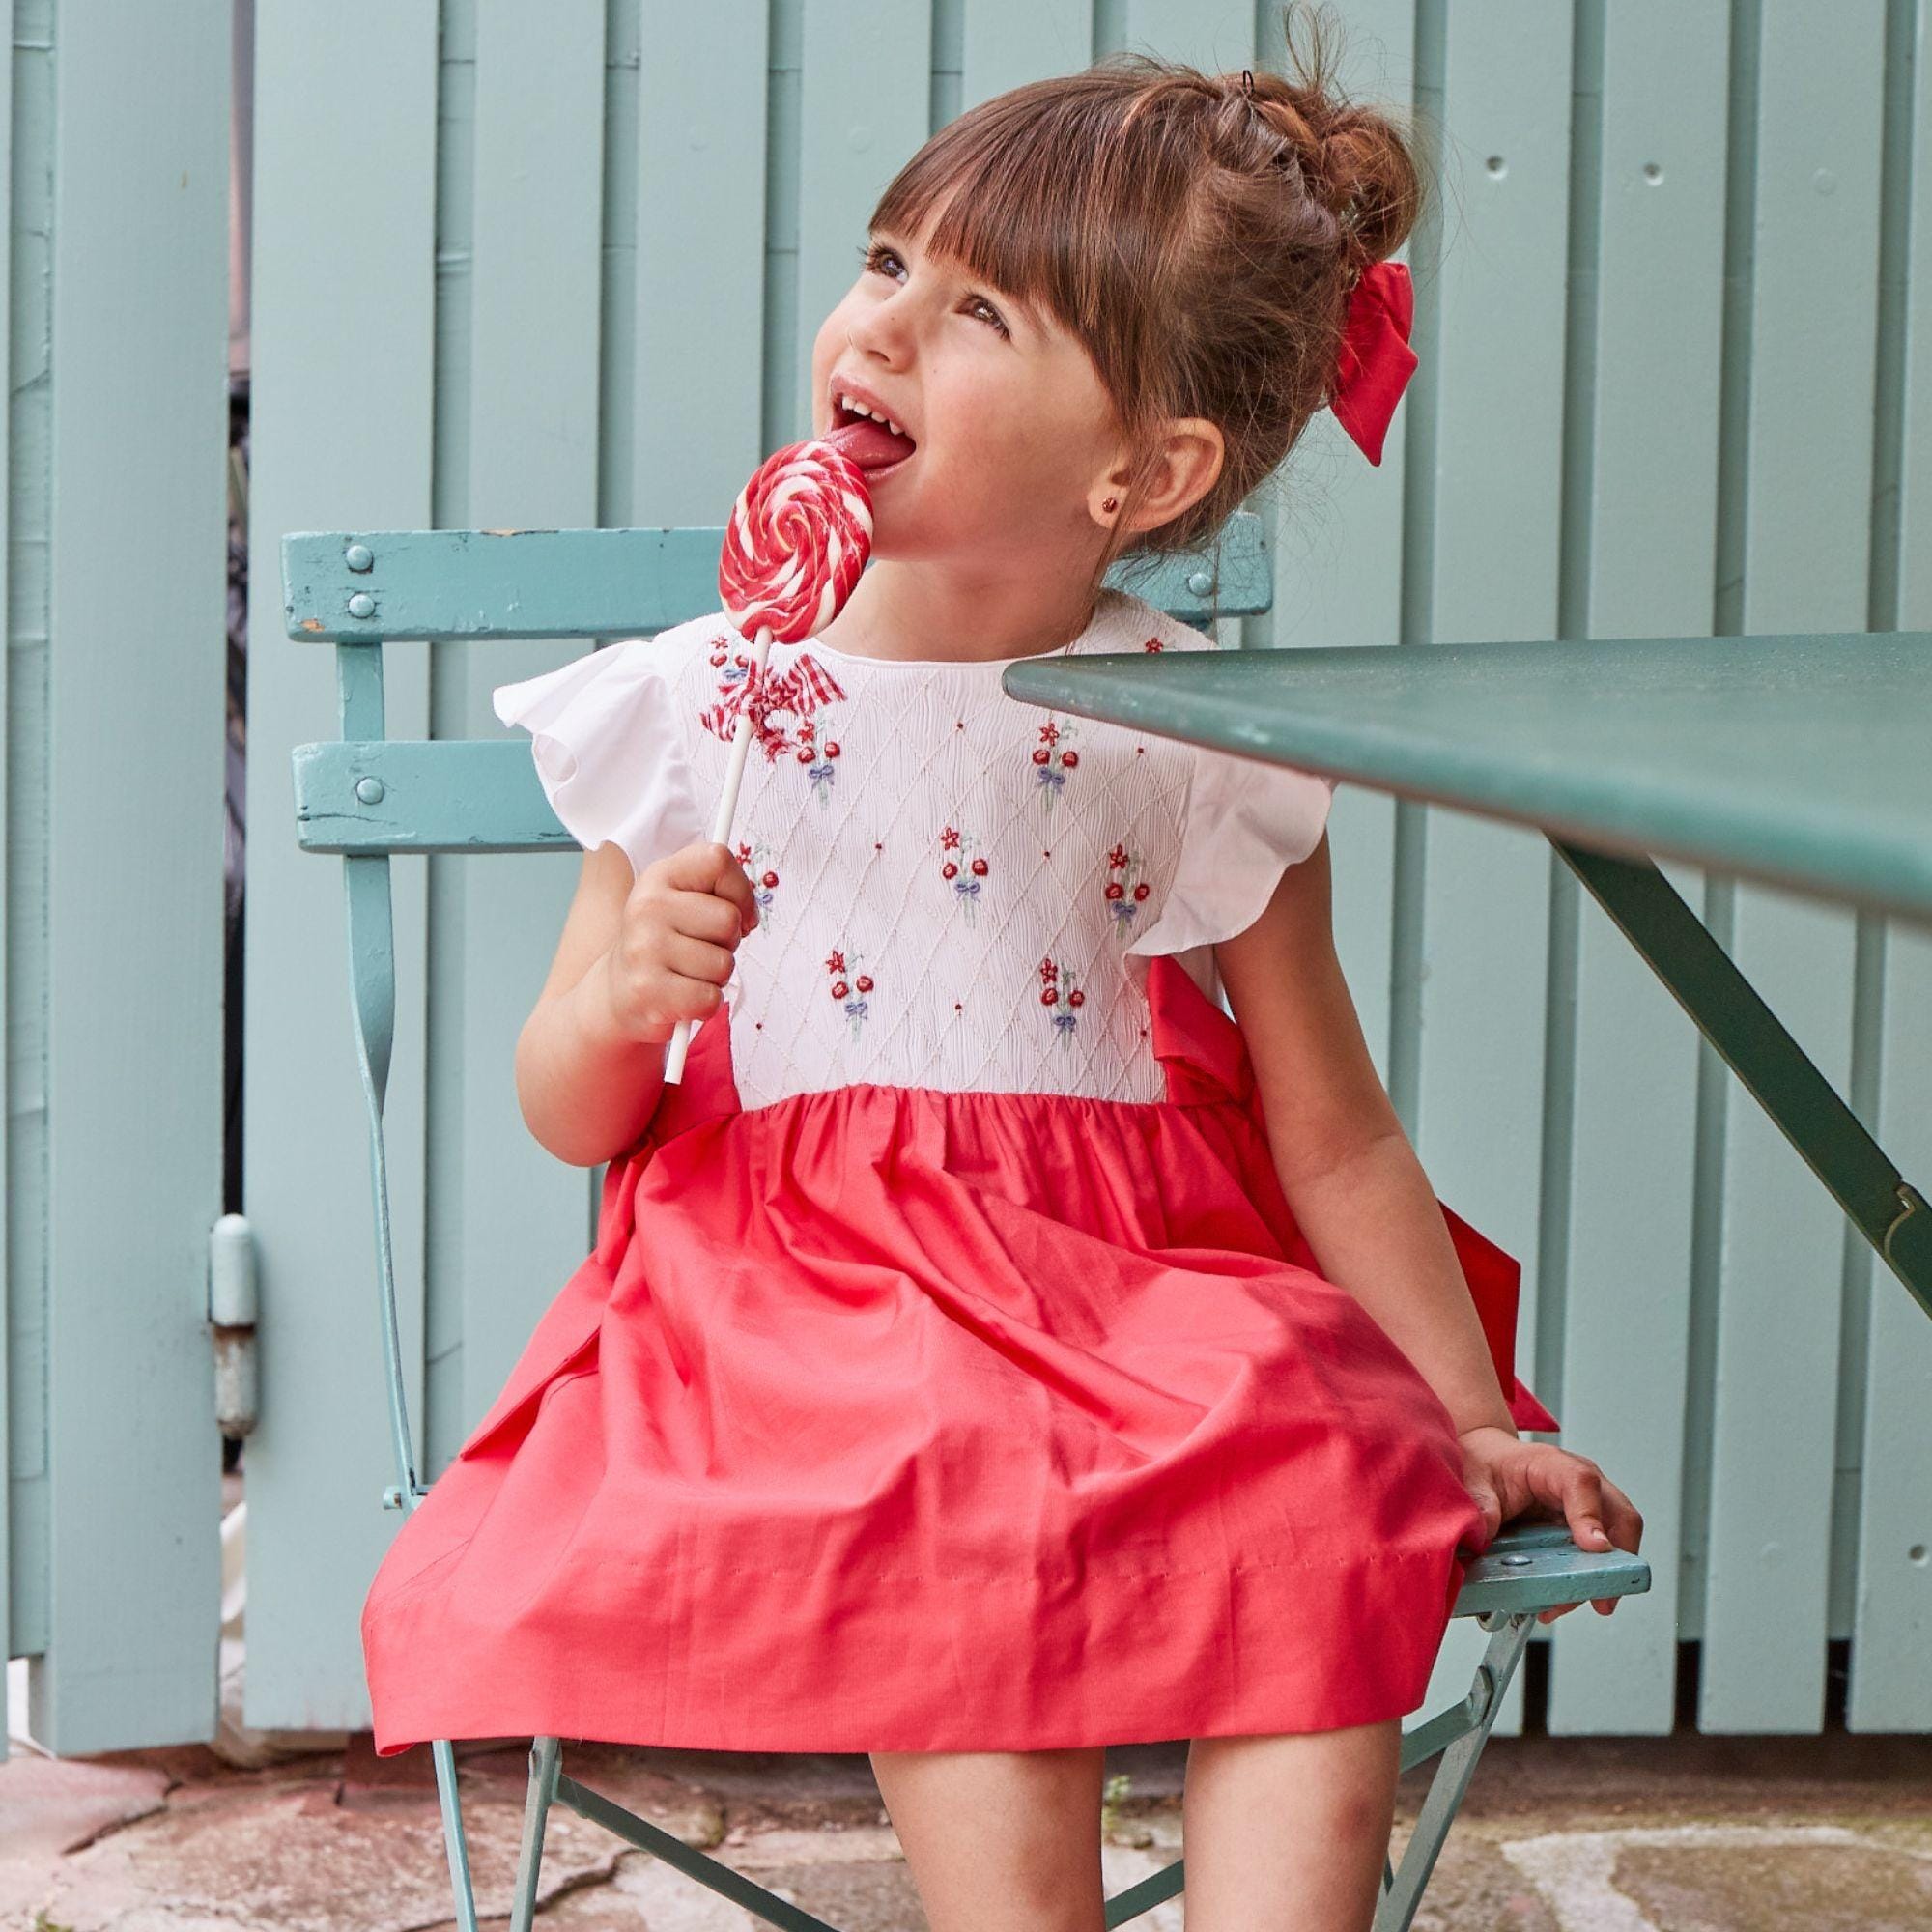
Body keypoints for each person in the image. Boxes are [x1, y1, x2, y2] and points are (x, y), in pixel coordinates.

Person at [360, 12, 1641, 1929]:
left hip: (1126, 1281)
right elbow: (569, 1112)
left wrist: (1469, 1413)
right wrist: (629, 997)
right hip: (800, 1300)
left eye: (977, 315)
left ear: (1146, 465)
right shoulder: (701, 703)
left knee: (1326, 1461)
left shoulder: (1183, 731)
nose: (876, 328)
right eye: (890, 262)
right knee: (957, 1482)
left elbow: (1334, 1127)